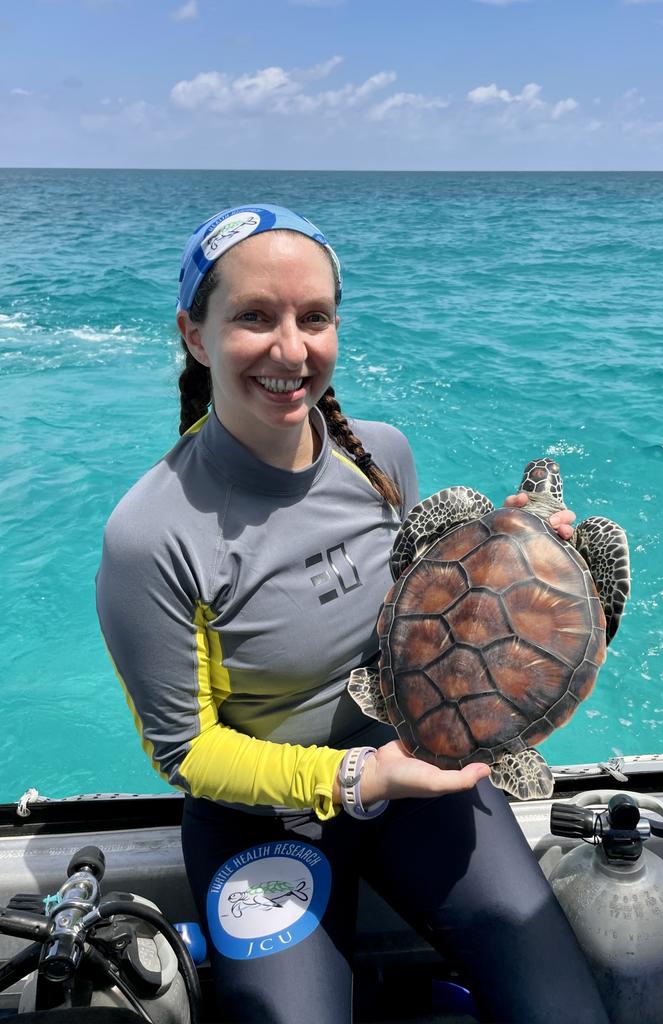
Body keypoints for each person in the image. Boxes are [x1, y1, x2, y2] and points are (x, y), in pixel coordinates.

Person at [96, 203, 608, 1024]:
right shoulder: (151, 533)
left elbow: (432, 614)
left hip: (418, 760)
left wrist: (519, 557)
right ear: (195, 334)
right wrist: (356, 778)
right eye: (254, 317)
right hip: (262, 819)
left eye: (316, 317)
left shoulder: (385, 457)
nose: (291, 350)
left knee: (564, 1013)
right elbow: (187, 754)